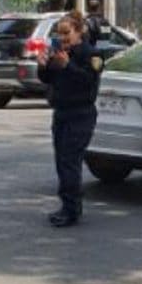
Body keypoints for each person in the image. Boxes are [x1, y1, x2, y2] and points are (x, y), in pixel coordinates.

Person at [37, 12, 104, 227]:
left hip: (81, 114)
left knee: (70, 161)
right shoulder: (60, 52)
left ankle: (72, 209)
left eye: (67, 33)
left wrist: (68, 65)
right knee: (61, 160)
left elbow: (87, 81)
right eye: (59, 33)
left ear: (79, 32)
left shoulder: (91, 54)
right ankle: (67, 205)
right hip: (62, 112)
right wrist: (43, 64)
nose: (63, 37)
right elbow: (48, 79)